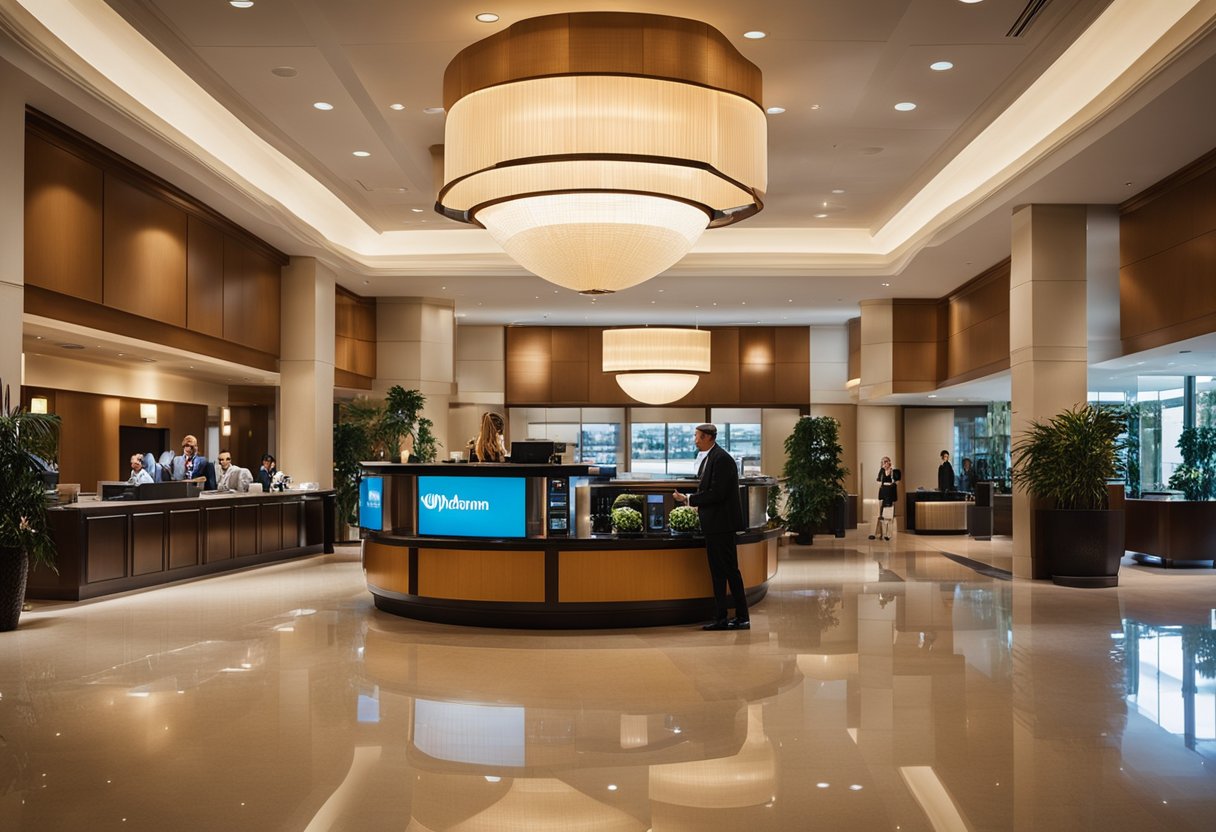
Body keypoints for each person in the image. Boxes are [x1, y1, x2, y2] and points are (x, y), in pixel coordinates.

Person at [673, 423, 749, 631]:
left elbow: (717, 493)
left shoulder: (721, 459)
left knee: (727, 571)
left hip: (721, 526)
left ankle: (736, 618)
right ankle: (725, 617)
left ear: (707, 437)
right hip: (716, 525)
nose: (694, 440)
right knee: (721, 572)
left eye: (697, 436)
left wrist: (689, 498)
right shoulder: (712, 457)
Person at [870, 456, 901, 541]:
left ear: (889, 462)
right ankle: (882, 534)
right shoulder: (882, 471)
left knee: (889, 516)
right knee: (882, 516)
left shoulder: (895, 471)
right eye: (883, 462)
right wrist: (882, 471)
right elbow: (879, 482)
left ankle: (889, 534)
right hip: (883, 495)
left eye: (886, 462)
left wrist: (891, 484)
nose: (884, 464)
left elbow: (896, 482)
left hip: (890, 495)